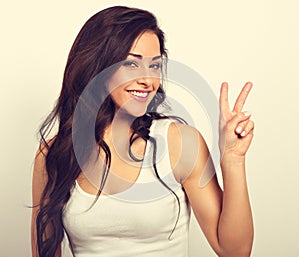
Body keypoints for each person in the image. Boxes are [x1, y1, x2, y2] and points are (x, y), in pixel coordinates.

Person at [31, 5, 254, 257]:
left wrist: (233, 159)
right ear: (97, 67)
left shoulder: (180, 143)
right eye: (131, 63)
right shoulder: (55, 154)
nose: (148, 80)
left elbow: (235, 251)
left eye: (155, 66)